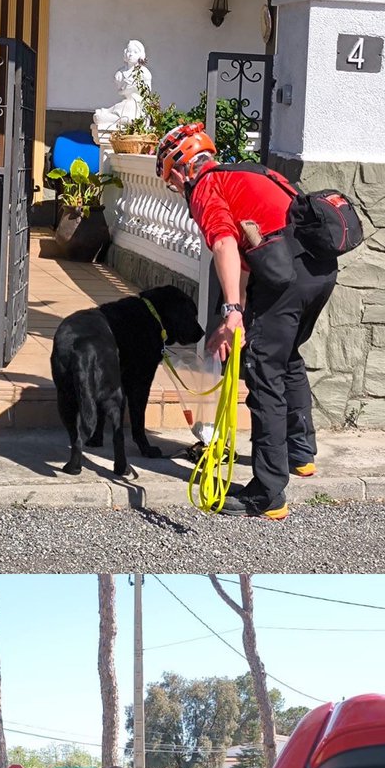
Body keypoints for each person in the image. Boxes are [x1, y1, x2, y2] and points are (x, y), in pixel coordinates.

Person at [157, 121, 338, 520]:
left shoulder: (205, 187)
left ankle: (268, 494)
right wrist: (234, 306)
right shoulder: (246, 172)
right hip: (319, 271)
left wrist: (233, 314)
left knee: (262, 372)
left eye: (170, 178)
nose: (173, 187)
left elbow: (223, 243)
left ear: (182, 168)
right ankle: (300, 453)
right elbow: (243, 252)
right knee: (286, 356)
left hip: (287, 276)